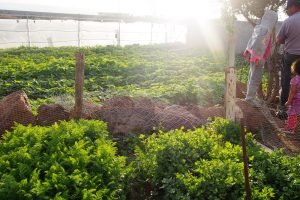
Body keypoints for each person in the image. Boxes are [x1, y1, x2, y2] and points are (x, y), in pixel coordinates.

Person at [243, 10, 278, 107]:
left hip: (256, 56)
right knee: (255, 77)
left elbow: (252, 41)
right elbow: (259, 43)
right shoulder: (265, 29)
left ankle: (250, 96)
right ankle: (250, 98)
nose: (275, 22)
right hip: (258, 57)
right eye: (275, 19)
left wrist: (249, 52)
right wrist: (257, 57)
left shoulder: (260, 27)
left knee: (252, 75)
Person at [276, 0, 300, 119]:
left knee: (286, 81)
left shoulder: (288, 21)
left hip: (290, 55)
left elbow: (279, 40)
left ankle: (283, 109)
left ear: (294, 7)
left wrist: (289, 39)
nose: (287, 11)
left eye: (288, 9)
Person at [283, 59, 300, 133]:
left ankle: (290, 128)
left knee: (292, 113)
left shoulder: (295, 79)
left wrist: (289, 101)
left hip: (296, 100)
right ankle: (296, 128)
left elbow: (292, 92)